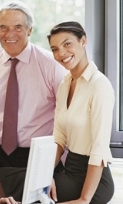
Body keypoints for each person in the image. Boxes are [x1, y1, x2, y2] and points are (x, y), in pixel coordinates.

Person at [0, 1, 67, 200]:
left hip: (38, 156)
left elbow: (66, 118)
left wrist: (56, 167)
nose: (9, 33)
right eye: (3, 27)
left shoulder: (51, 66)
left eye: (18, 27)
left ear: (29, 30)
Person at [47, 21, 114, 204]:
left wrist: (84, 199)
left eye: (67, 44)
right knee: (10, 179)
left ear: (83, 41)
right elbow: (59, 137)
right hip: (70, 169)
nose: (61, 53)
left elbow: (99, 148)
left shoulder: (99, 85)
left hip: (93, 179)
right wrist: (46, 175)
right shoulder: (64, 84)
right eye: (54, 49)